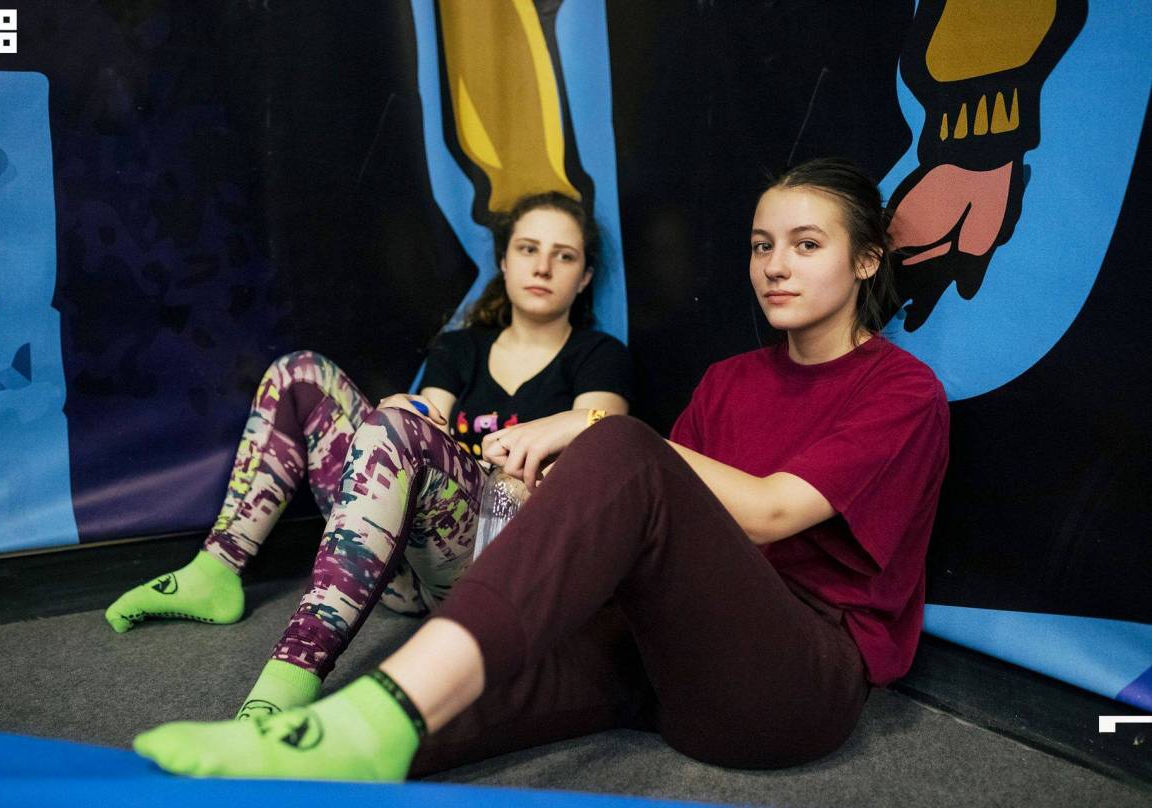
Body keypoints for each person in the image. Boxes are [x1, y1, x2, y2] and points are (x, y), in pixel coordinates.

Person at [132, 157, 950, 780]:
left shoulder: (902, 391)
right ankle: (297, 748)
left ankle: (368, 717)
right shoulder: (728, 380)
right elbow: (666, 524)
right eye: (762, 246)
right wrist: (566, 495)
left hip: (790, 685)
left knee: (620, 443)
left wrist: (593, 430)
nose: (774, 265)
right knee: (449, 699)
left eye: (806, 246)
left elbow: (768, 512)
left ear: (866, 260)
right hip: (666, 654)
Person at [106, 190, 632, 720]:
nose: (542, 267)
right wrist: (401, 414)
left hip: (498, 572)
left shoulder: (598, 355)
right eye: (528, 248)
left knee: (426, 441)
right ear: (504, 260)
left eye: (564, 255)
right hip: (395, 569)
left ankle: (294, 669)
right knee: (300, 374)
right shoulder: (461, 348)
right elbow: (429, 423)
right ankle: (216, 570)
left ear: (584, 277)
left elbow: (602, 448)